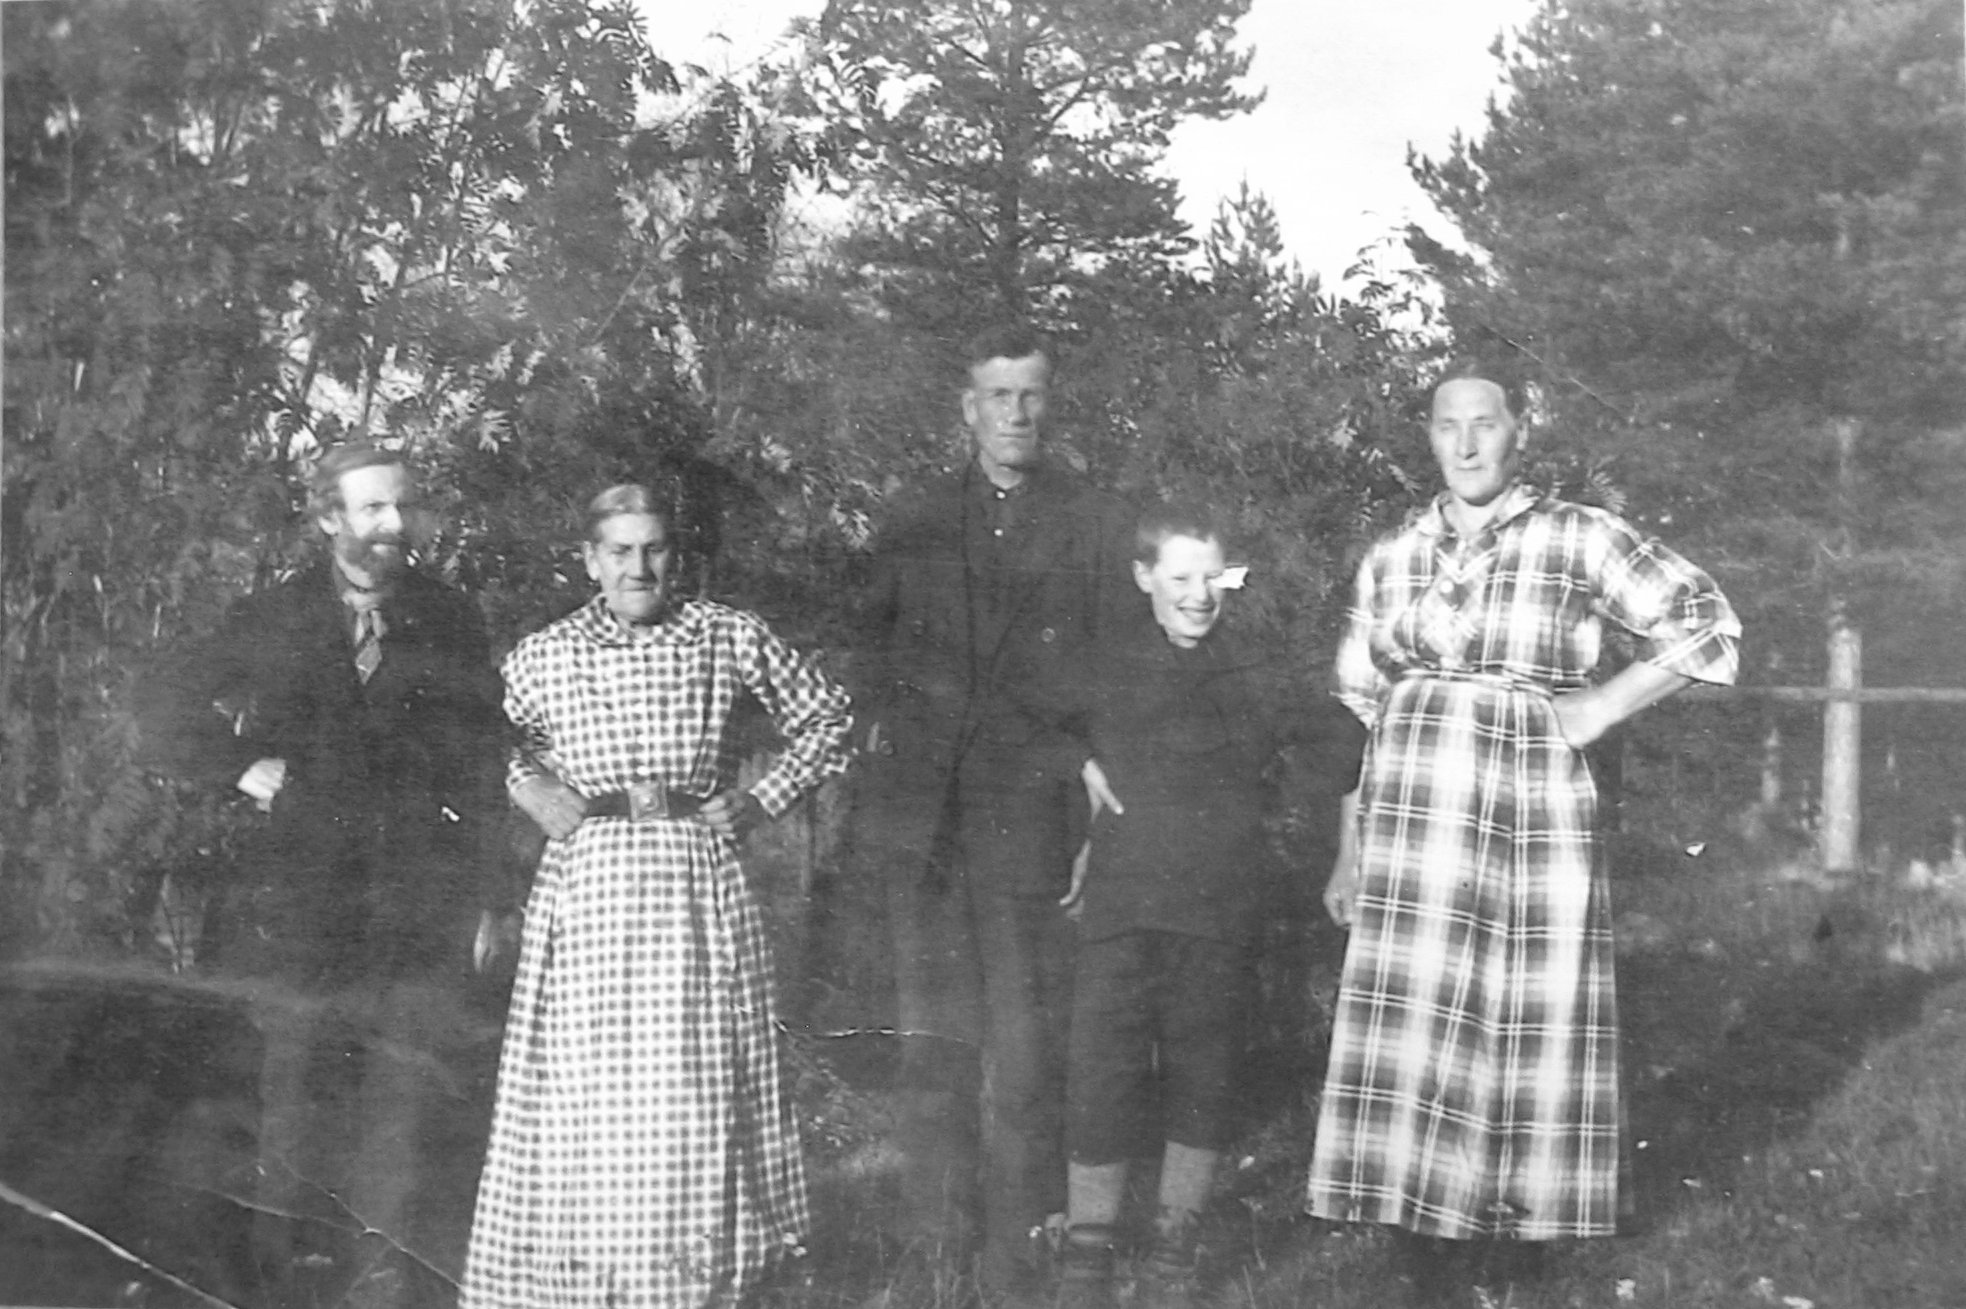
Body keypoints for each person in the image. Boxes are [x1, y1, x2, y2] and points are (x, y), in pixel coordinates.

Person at [1306, 359, 1742, 1301]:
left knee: (1528, 1015)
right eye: (1445, 426)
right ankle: (1419, 1242)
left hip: (1532, 806)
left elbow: (1706, 619)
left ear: (1519, 431)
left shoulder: (1577, 535)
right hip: (1414, 808)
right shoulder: (1390, 554)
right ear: (1427, 437)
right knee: (1415, 1019)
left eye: (1485, 424)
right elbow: (1362, 709)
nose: (1465, 445)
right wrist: (1351, 847)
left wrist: (1609, 701)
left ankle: (1521, 1253)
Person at [459, 484, 853, 1309]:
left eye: (656, 549)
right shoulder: (544, 653)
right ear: (590, 559)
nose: (640, 567)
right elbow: (470, 735)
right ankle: (588, 1282)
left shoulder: (724, 633)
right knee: (593, 1091)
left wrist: (762, 797)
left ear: (675, 554)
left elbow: (829, 717)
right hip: (590, 885)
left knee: (688, 1087)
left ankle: (690, 1281)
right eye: (621, 551)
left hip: (691, 880)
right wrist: (528, 783)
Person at [135, 442, 509, 1308]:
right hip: (301, 908)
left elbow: (482, 764)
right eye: (373, 509)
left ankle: (384, 1296)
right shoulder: (274, 613)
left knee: (400, 1112)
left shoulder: (451, 619)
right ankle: (280, 1290)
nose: (393, 526)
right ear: (329, 517)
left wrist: (492, 895)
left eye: (404, 508)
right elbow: (160, 702)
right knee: (295, 1104)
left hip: (420, 906)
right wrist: (237, 765)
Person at [1022, 504, 1364, 1309]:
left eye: (1214, 577)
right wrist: (1078, 762)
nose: (1199, 594)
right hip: (1121, 909)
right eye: (1180, 577)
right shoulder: (1103, 662)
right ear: (1144, 577)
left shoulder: (1254, 670)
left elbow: (1345, 742)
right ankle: (1089, 1255)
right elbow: (1025, 721)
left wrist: (1263, 795)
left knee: (1202, 1075)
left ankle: (1176, 1247)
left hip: (1218, 908)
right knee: (1101, 1074)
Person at [854, 324, 1134, 1301]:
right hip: (926, 837)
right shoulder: (915, 522)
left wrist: (1096, 808)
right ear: (966, 407)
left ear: (1049, 406)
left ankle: (1014, 1273)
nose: (1015, 413)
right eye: (997, 395)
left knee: (1019, 1065)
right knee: (932, 1060)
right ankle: (935, 1264)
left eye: (1031, 395)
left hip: (1030, 831)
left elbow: (1119, 683)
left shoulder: (1096, 523)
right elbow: (870, 667)